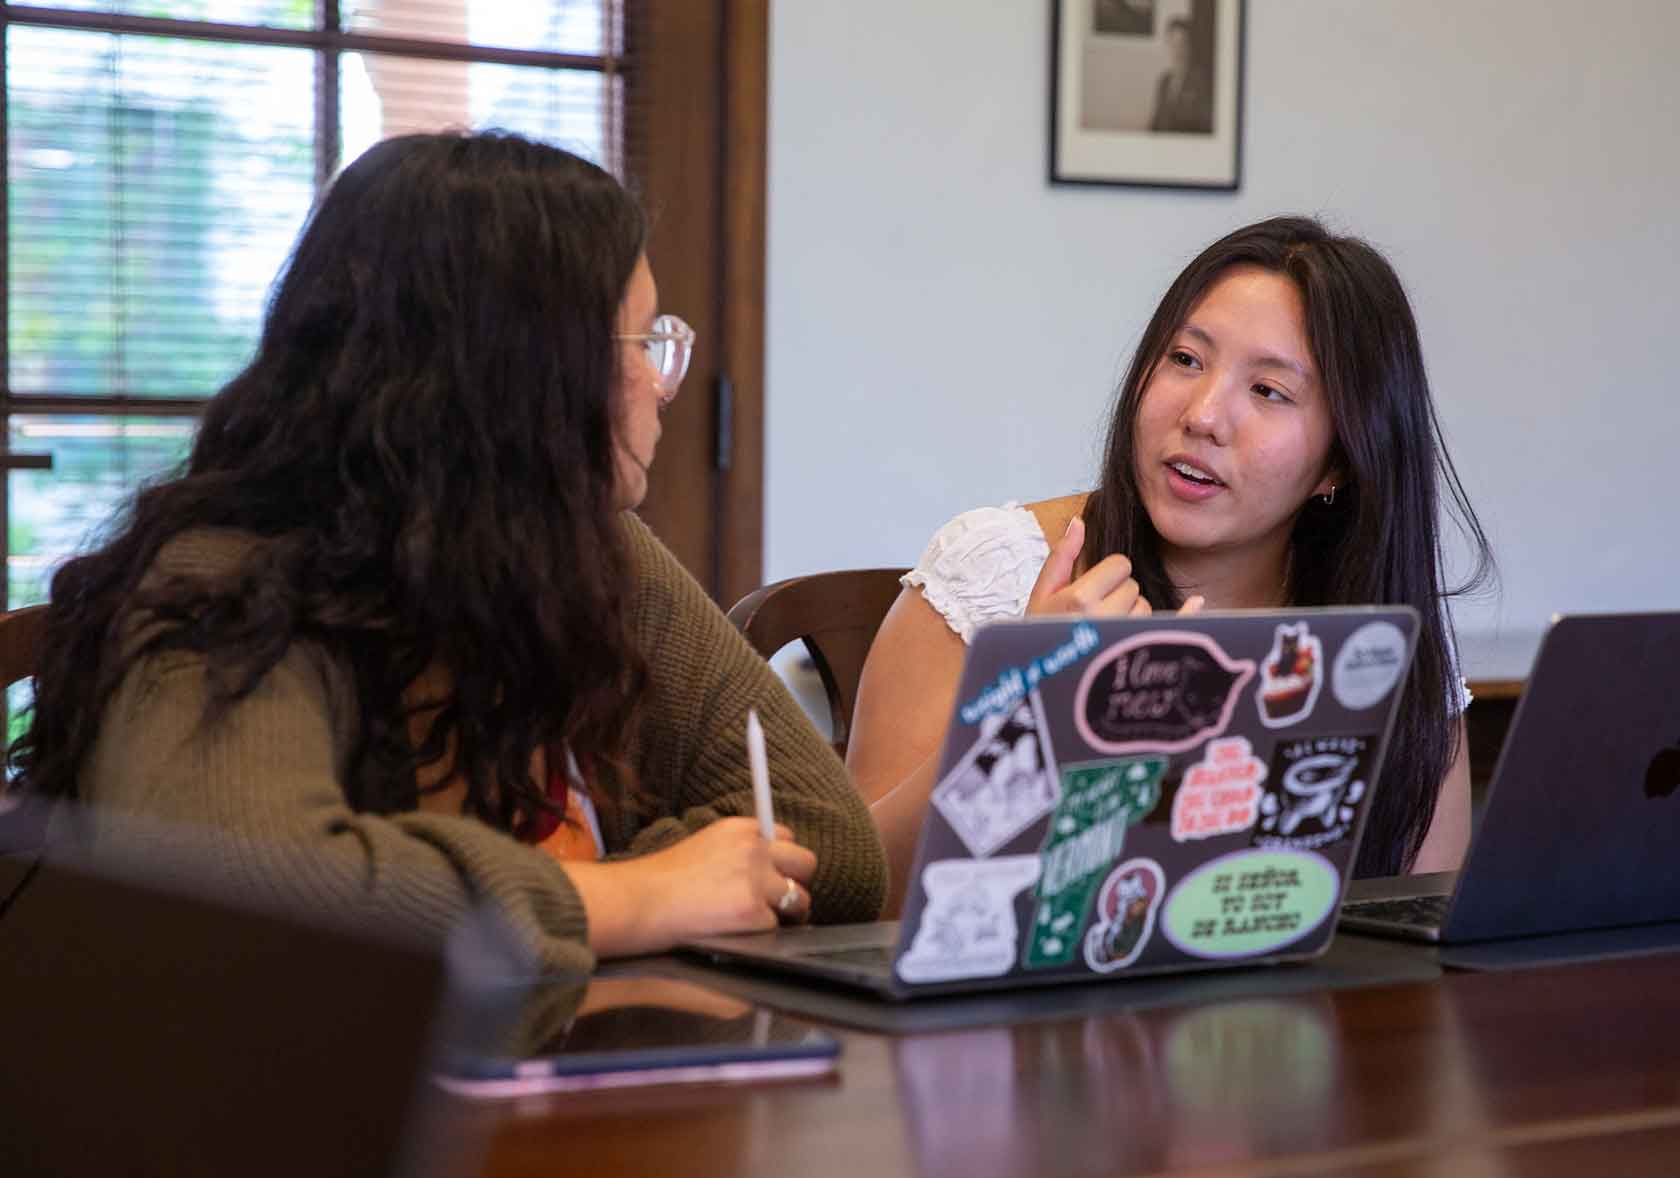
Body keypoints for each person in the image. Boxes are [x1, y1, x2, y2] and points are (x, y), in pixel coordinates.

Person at [7, 131, 886, 974]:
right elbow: (264, 892)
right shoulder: (222, 585)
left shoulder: (594, 552)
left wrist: (629, 882)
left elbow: (832, 839)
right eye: (642, 343)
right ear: (518, 372)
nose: (664, 383)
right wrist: (634, 896)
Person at [849, 216, 1491, 913]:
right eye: (1186, 359)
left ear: (1338, 461)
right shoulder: (995, 569)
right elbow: (854, 894)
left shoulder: (1379, 640)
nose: (1204, 415)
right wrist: (1021, 710)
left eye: (1269, 391)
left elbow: (1418, 927)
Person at [1149, 17, 1213, 134]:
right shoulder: (1164, 81)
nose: (1178, 50)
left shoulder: (1201, 81)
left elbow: (1204, 126)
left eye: (1183, 43)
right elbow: (1154, 124)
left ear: (1190, 46)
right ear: (1168, 46)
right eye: (1174, 44)